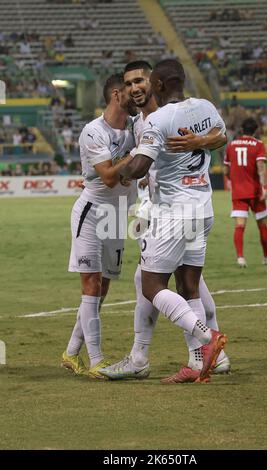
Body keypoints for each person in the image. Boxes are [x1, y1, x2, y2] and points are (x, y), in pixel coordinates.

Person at [100, 59, 228, 383]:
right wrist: (199, 142)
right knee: (190, 286)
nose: (135, 87)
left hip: (172, 213)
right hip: (201, 207)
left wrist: (120, 170)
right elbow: (221, 135)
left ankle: (204, 340)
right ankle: (202, 362)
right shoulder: (203, 106)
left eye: (141, 81)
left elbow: (140, 165)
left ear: (156, 84)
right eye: (128, 84)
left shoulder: (158, 120)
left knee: (149, 283)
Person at [61, 73, 137, 379]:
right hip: (91, 213)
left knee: (102, 289)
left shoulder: (135, 129)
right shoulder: (93, 131)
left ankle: (70, 352)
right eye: (132, 92)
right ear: (117, 95)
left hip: (117, 215)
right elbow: (107, 176)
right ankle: (96, 360)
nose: (138, 97)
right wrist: (135, 157)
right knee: (91, 285)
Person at [224, 117, 267, 267]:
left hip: (238, 191)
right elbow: (261, 166)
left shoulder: (231, 145)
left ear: (241, 130)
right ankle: (266, 257)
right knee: (262, 225)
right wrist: (264, 187)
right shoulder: (258, 145)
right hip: (256, 191)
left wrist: (234, 180)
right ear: (256, 130)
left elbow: (226, 170)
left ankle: (240, 257)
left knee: (240, 225)